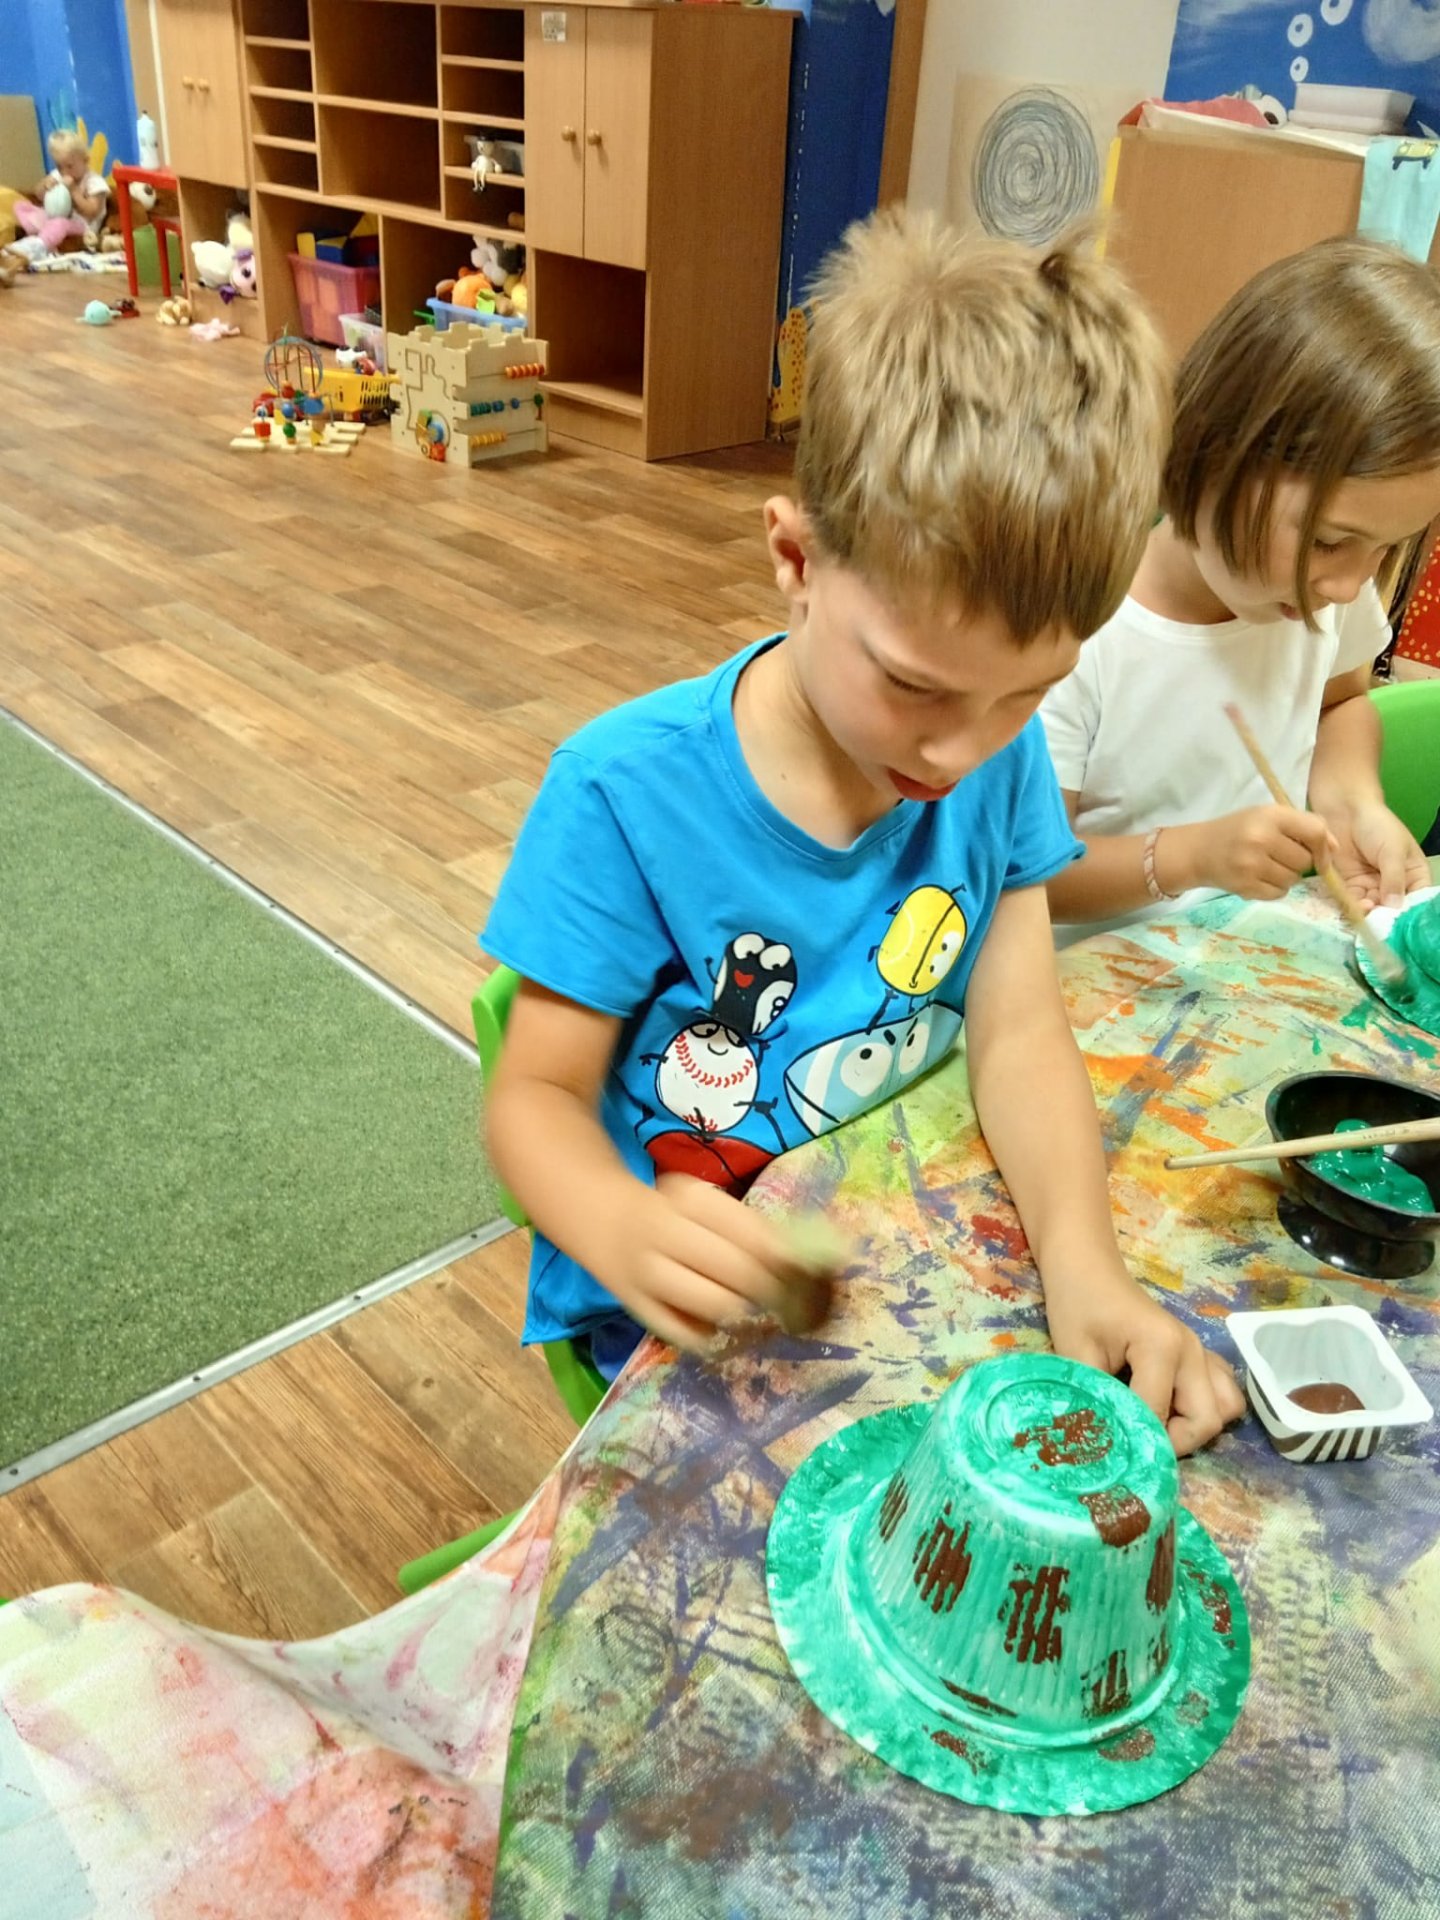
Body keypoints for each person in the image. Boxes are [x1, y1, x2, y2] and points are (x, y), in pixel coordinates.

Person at [482, 207, 1243, 1454]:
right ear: (795, 556)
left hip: (907, 1248)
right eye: (913, 685)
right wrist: (620, 1226)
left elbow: (1018, 1030)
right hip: (688, 1316)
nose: (959, 753)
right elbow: (534, 1097)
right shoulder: (622, 794)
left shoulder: (991, 760)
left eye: (1030, 692)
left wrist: (1085, 1268)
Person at [1043, 238, 1440, 939]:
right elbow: (1026, 876)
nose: (1350, 583)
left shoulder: (1325, 590)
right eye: (1328, 539)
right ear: (1216, 449)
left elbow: (1343, 702)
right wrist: (1191, 857)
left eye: (1385, 547)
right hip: (1085, 980)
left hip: (1240, 962)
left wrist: (1354, 803)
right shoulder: (1071, 629)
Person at [15, 129, 110, 254]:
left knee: (59, 224)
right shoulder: (59, 175)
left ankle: (40, 245)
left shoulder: (94, 182)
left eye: (70, 166)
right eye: (59, 166)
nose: (64, 172)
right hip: (55, 219)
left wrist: (74, 191)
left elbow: (92, 212)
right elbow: (38, 194)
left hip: (83, 229)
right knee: (22, 206)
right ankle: (32, 238)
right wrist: (45, 186)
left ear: (85, 161)